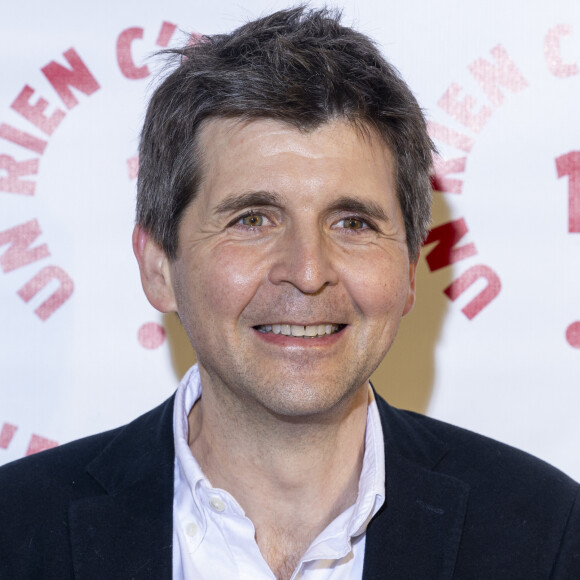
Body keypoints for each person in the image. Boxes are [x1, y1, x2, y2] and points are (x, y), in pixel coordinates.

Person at [0, 6, 578, 579]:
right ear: (159, 268)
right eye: (253, 219)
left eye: (352, 223)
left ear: (408, 271)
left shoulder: (546, 534)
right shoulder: (17, 529)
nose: (307, 271)